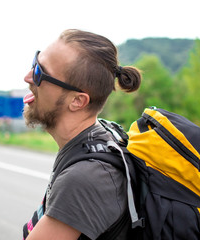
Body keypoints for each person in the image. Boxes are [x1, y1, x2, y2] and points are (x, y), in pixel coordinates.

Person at [22, 29, 142, 240]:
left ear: (77, 101)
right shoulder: (100, 138)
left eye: (40, 72)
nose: (28, 77)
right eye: (34, 62)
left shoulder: (85, 178)